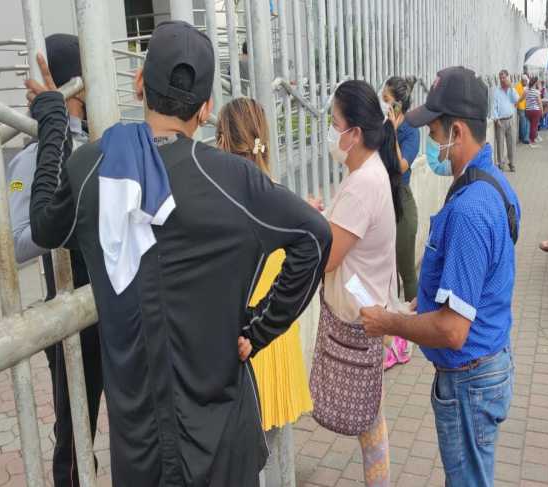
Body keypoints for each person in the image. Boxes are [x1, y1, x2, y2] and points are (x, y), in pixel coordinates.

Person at [26, 21, 331, 486]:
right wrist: (260, 326)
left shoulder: (95, 170)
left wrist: (53, 120)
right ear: (207, 109)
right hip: (223, 445)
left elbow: (45, 224)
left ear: (140, 82)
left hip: (141, 455)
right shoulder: (233, 180)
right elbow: (314, 239)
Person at [361, 66, 520, 487]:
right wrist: (426, 302)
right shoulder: (491, 184)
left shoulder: (470, 209)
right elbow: (476, 282)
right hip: (486, 366)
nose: (432, 144)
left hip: (470, 381)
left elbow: (452, 331)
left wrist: (389, 323)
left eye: (434, 132)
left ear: (458, 133)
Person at [8, 33, 102, 487]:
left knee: (123, 424)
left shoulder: (103, 138)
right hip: (67, 317)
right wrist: (65, 217)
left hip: (112, 309)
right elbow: (21, 242)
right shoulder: (31, 157)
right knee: (73, 436)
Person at [215, 97, 313, 486]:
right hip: (276, 333)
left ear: (223, 140)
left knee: (249, 459)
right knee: (277, 452)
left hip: (246, 342)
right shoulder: (276, 194)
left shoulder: (223, 203)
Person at [310, 80, 402, 487]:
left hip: (359, 312)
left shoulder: (363, 185)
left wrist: (307, 222)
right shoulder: (367, 173)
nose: (332, 133)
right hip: (368, 303)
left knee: (367, 415)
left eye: (335, 124)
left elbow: (328, 257)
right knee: (372, 417)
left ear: (356, 134)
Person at [382, 75, 420, 367]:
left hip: (402, 203)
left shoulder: (409, 131)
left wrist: (393, 132)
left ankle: (412, 333)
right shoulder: (383, 127)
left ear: (397, 104)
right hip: (384, 201)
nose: (383, 104)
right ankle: (393, 335)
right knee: (387, 272)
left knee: (406, 269)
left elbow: (401, 165)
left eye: (386, 100)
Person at [492, 69, 519, 172]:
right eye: (501, 78)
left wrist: (511, 87)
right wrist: (496, 118)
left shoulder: (511, 90)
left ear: (508, 77)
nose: (502, 80)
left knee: (511, 143)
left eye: (504, 77)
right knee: (500, 144)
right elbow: (494, 107)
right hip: (500, 121)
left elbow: (516, 100)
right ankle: (501, 164)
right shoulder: (496, 92)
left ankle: (512, 163)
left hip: (510, 120)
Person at [525, 76, 543, 147]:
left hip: (528, 111)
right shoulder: (536, 92)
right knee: (534, 126)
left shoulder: (527, 90)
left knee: (531, 126)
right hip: (535, 111)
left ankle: (532, 138)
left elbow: (522, 98)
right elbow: (539, 102)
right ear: (535, 83)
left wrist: (517, 103)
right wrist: (541, 111)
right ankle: (531, 141)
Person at [515, 74, 530, 144]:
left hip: (527, 106)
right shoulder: (518, 86)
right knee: (523, 122)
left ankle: (526, 137)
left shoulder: (527, 86)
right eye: (525, 81)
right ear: (522, 80)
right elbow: (517, 97)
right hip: (521, 107)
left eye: (526, 81)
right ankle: (524, 138)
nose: (526, 82)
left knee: (527, 122)